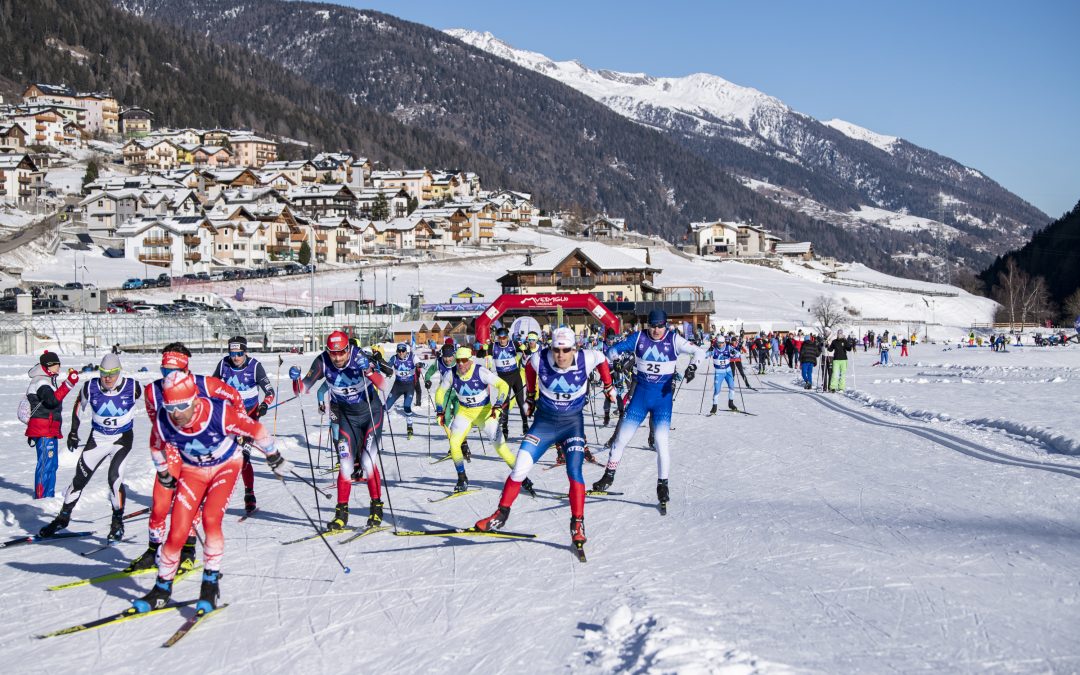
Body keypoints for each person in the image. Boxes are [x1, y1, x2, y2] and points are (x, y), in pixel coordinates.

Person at [133, 371, 289, 614]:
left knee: (210, 519)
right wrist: (163, 471)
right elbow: (155, 444)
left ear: (195, 399)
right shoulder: (166, 418)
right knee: (177, 530)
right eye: (170, 406)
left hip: (225, 467)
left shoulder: (219, 412)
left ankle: (209, 585)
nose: (176, 413)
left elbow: (256, 429)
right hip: (193, 470)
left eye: (182, 406)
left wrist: (273, 455)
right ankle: (162, 589)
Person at [475, 327, 614, 548]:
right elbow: (529, 366)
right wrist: (530, 395)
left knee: (574, 471)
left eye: (566, 350)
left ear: (574, 348)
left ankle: (577, 523)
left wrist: (608, 386)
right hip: (544, 424)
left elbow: (603, 359)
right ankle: (501, 515)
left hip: (571, 426)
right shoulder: (540, 358)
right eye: (556, 350)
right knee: (519, 468)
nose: (561, 355)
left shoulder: (586, 358)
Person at [126, 343, 244, 572]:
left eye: (172, 372)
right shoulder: (152, 391)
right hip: (172, 453)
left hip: (197, 455)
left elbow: (235, 398)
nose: (167, 377)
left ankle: (188, 549)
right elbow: (155, 419)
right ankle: (153, 551)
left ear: (185, 371)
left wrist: (233, 432)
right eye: (164, 371)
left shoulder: (205, 384)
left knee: (191, 504)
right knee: (160, 506)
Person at [592, 310, 705, 509]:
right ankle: (608, 477)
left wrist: (693, 367)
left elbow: (700, 351)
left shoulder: (674, 339)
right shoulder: (638, 338)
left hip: (662, 400)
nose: (656, 330)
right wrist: (616, 361)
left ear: (666, 325)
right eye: (653, 325)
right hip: (640, 398)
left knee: (661, 443)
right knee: (620, 440)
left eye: (660, 326)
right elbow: (611, 351)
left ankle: (663, 485)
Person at [293, 331, 391, 531]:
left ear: (348, 349)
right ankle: (341, 513)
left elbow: (383, 385)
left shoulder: (359, 357)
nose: (337, 358)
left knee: (366, 462)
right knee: (345, 465)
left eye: (341, 353)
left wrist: (370, 372)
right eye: (333, 353)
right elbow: (302, 389)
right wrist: (295, 380)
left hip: (370, 413)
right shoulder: (322, 362)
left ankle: (376, 507)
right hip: (347, 417)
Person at [39, 354, 142, 540]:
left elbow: (155, 402)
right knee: (79, 480)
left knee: (114, 479)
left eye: (112, 373)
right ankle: (63, 518)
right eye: (104, 373)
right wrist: (73, 432)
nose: (107, 378)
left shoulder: (133, 387)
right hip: (98, 438)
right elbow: (78, 407)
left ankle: (117, 522)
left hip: (121, 439)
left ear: (119, 372)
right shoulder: (90, 386)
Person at [434, 346, 527, 493]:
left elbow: (502, 385)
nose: (460, 364)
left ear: (470, 360)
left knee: (500, 447)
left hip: (484, 413)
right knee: (454, 443)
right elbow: (440, 392)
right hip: (465, 413)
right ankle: (462, 478)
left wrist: (498, 404)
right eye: (458, 361)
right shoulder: (451, 374)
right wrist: (440, 410)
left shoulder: (480, 371)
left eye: (464, 360)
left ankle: (522, 477)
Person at [212, 335, 275, 514]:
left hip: (249, 418)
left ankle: (250, 493)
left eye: (239, 353)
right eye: (233, 353)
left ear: (245, 352)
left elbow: (269, 391)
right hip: (229, 417)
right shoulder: (224, 364)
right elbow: (211, 386)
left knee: (244, 458)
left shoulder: (255, 366)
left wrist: (264, 405)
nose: (236, 357)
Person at [25, 351, 79, 500]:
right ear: (49, 366)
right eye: (56, 364)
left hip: (49, 429)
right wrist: (68, 384)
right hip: (43, 430)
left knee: (52, 464)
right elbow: (52, 401)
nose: (59, 367)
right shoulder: (41, 382)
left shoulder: (47, 380)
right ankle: (41, 498)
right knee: (45, 465)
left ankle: (48, 496)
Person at [424, 343, 471, 461]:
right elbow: (429, 372)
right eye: (445, 356)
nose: (448, 359)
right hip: (445, 393)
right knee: (445, 419)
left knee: (459, 419)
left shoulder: (459, 361)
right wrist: (427, 380)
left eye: (450, 356)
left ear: (454, 355)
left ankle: (464, 445)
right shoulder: (439, 362)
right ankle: (453, 445)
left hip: (459, 393)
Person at [490, 327, 530, 437]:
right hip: (503, 379)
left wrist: (525, 348)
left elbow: (528, 352)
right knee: (505, 404)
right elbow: (478, 355)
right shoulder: (493, 346)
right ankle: (505, 428)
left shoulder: (513, 344)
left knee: (521, 402)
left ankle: (525, 425)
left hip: (515, 376)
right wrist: (482, 350)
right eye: (500, 338)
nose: (502, 340)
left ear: (507, 337)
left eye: (504, 338)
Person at [384, 342, 423, 439]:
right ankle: (376, 426)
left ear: (406, 351)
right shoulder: (394, 358)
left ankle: (409, 427)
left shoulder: (412, 357)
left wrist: (420, 364)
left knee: (406, 407)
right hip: (397, 386)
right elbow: (387, 367)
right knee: (385, 407)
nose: (401, 353)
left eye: (403, 351)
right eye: (399, 351)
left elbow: (421, 363)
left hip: (409, 386)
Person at [707, 336, 739, 413]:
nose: (720, 345)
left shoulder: (728, 348)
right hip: (719, 372)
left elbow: (738, 354)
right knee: (717, 390)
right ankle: (714, 407)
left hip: (728, 371)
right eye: (719, 343)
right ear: (716, 342)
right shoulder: (714, 349)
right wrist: (708, 351)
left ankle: (731, 403)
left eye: (722, 343)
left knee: (732, 387)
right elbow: (704, 355)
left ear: (724, 342)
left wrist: (734, 353)